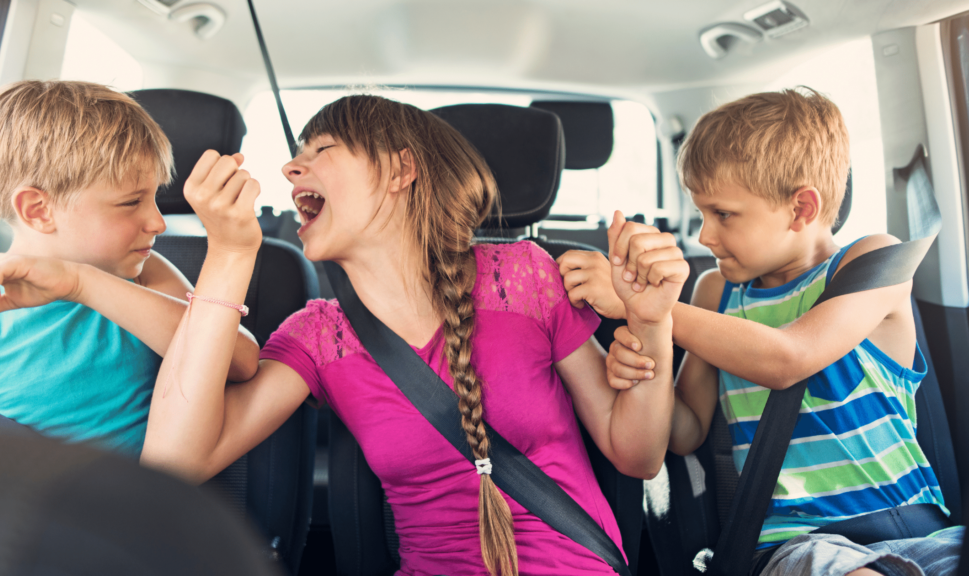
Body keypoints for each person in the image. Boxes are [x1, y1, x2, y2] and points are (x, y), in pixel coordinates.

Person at [140, 95, 687, 576]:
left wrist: (652, 321)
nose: (289, 167)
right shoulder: (318, 336)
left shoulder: (522, 276)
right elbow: (174, 464)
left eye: (321, 148)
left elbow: (635, 455)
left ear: (401, 170)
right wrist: (232, 254)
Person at [557, 88, 964, 576]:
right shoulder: (716, 294)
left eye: (723, 214)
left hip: (921, 529)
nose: (704, 236)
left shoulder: (871, 263)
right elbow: (687, 432)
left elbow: (788, 358)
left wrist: (650, 310)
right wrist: (648, 356)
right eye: (702, 213)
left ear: (801, 209)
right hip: (800, 543)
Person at [0, 80, 259, 457]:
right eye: (130, 203)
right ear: (39, 210)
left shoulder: (144, 273)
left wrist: (85, 285)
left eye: (154, 197)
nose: (158, 223)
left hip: (133, 502)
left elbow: (240, 361)